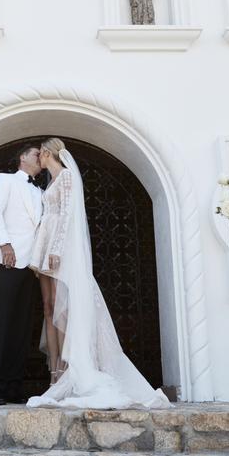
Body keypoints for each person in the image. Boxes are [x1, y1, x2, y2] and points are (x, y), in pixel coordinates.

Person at [28, 137, 170, 409]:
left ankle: (68, 366)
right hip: (44, 246)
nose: (38, 160)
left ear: (48, 153)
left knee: (63, 306)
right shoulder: (50, 182)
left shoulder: (67, 177)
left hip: (60, 248)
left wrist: (56, 248)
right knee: (48, 306)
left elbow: (68, 214)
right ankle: (54, 370)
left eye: (40, 155)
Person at [0, 144, 43, 405]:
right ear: (22, 158)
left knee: (22, 327)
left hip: (31, 265)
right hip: (8, 258)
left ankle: (13, 385)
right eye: (36, 154)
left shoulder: (40, 191)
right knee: (3, 323)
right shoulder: (5, 180)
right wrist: (4, 244)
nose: (40, 158)